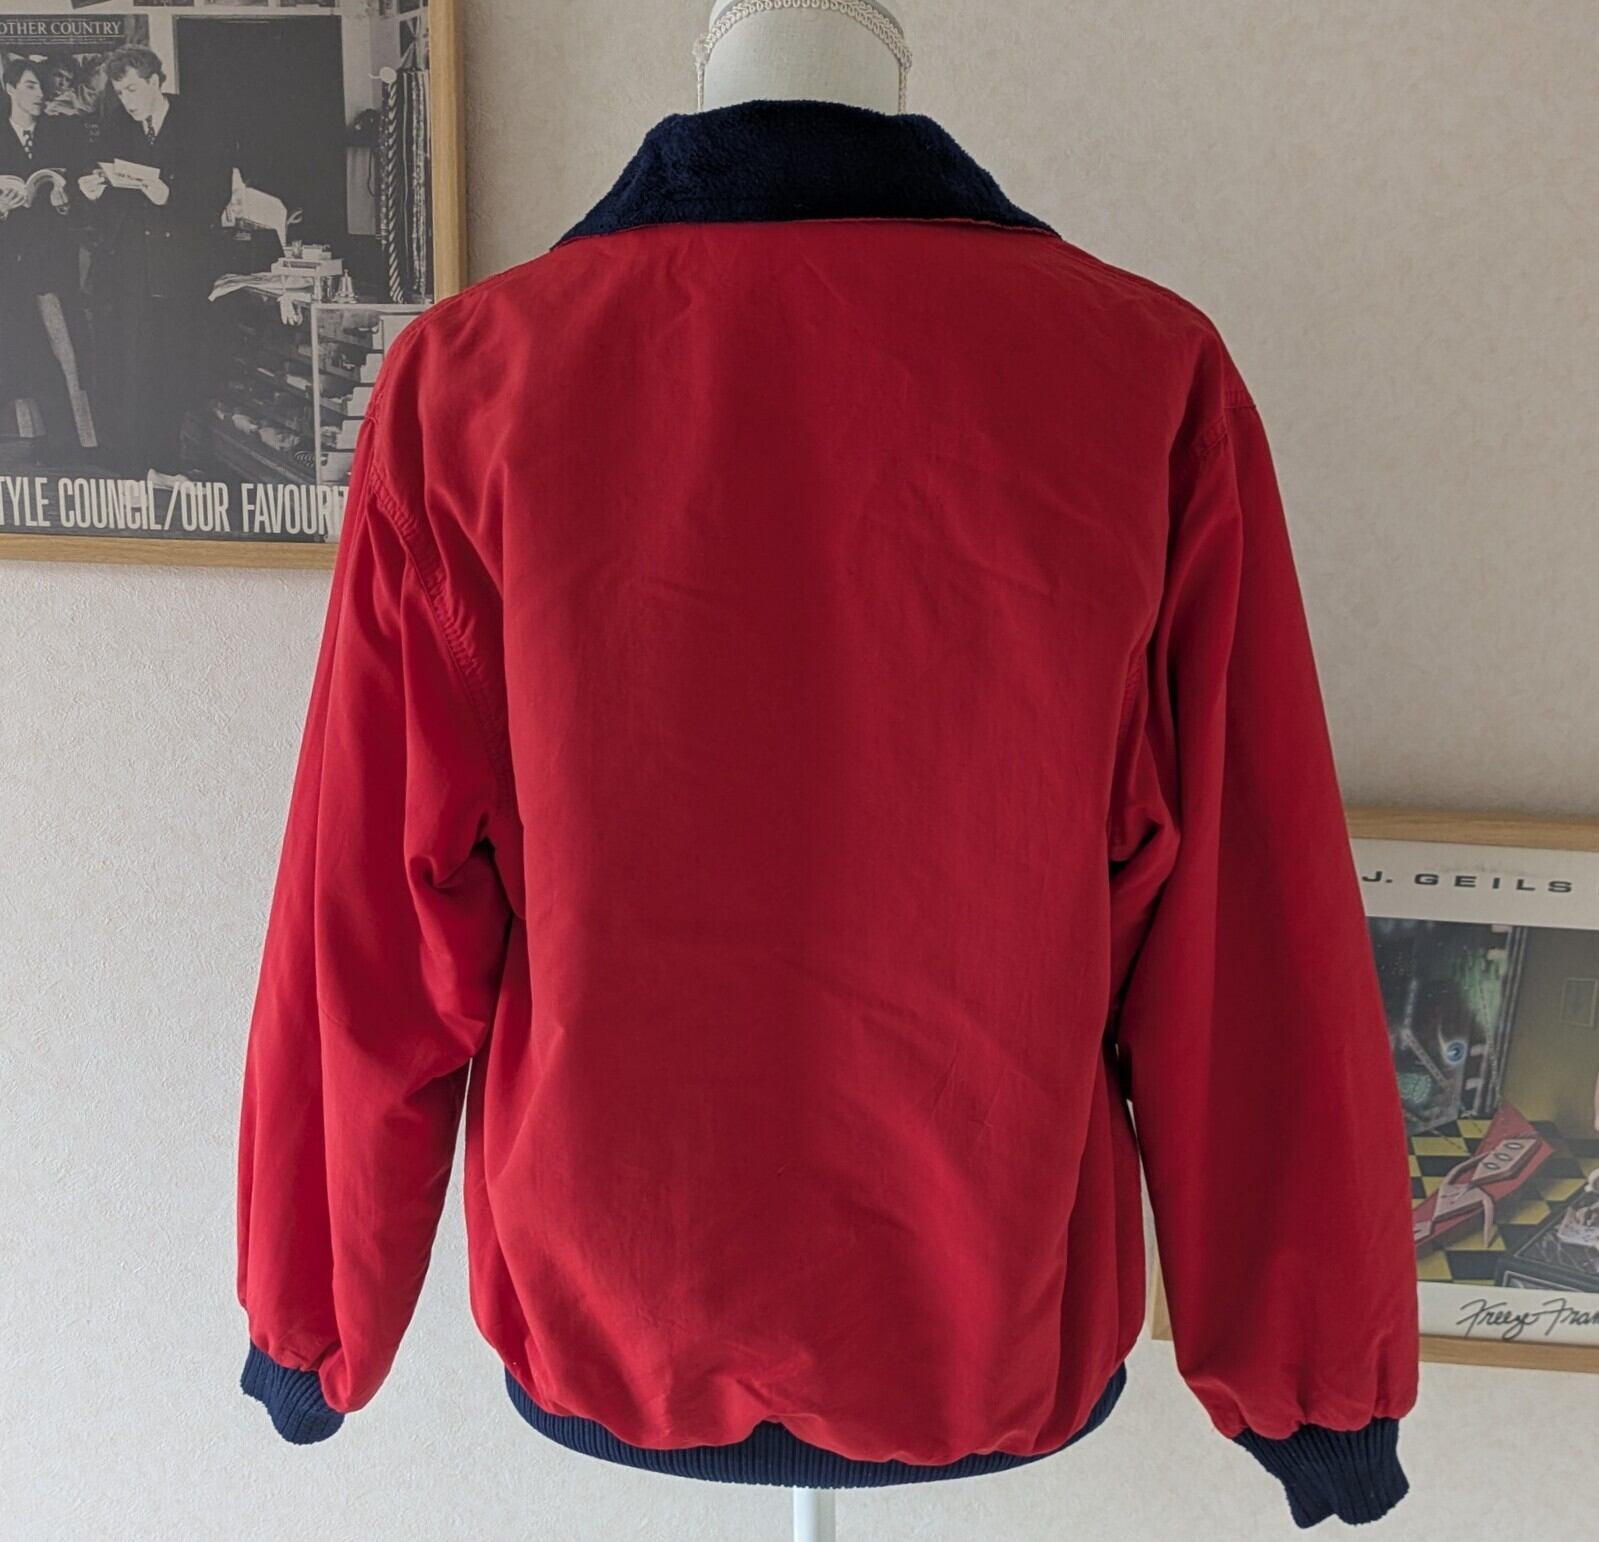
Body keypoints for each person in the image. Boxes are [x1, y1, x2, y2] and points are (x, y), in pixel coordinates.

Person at [77, 44, 230, 481]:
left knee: (176, 367)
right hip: (131, 272)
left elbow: (216, 193)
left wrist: (170, 196)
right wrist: (93, 193)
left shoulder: (198, 122)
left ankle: (166, 462)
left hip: (181, 270)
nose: (126, 101)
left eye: (132, 90)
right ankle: (138, 467)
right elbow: (109, 203)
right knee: (132, 369)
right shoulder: (116, 125)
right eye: (120, 93)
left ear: (156, 81)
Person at [0, 58, 97, 461]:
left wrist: (63, 202)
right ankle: (30, 436)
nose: (39, 95)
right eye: (29, 86)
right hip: (7, 261)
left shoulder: (61, 135)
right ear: (9, 88)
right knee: (17, 345)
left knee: (62, 346)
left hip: (50, 259)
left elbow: (80, 195)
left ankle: (72, 440)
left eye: (42, 87)